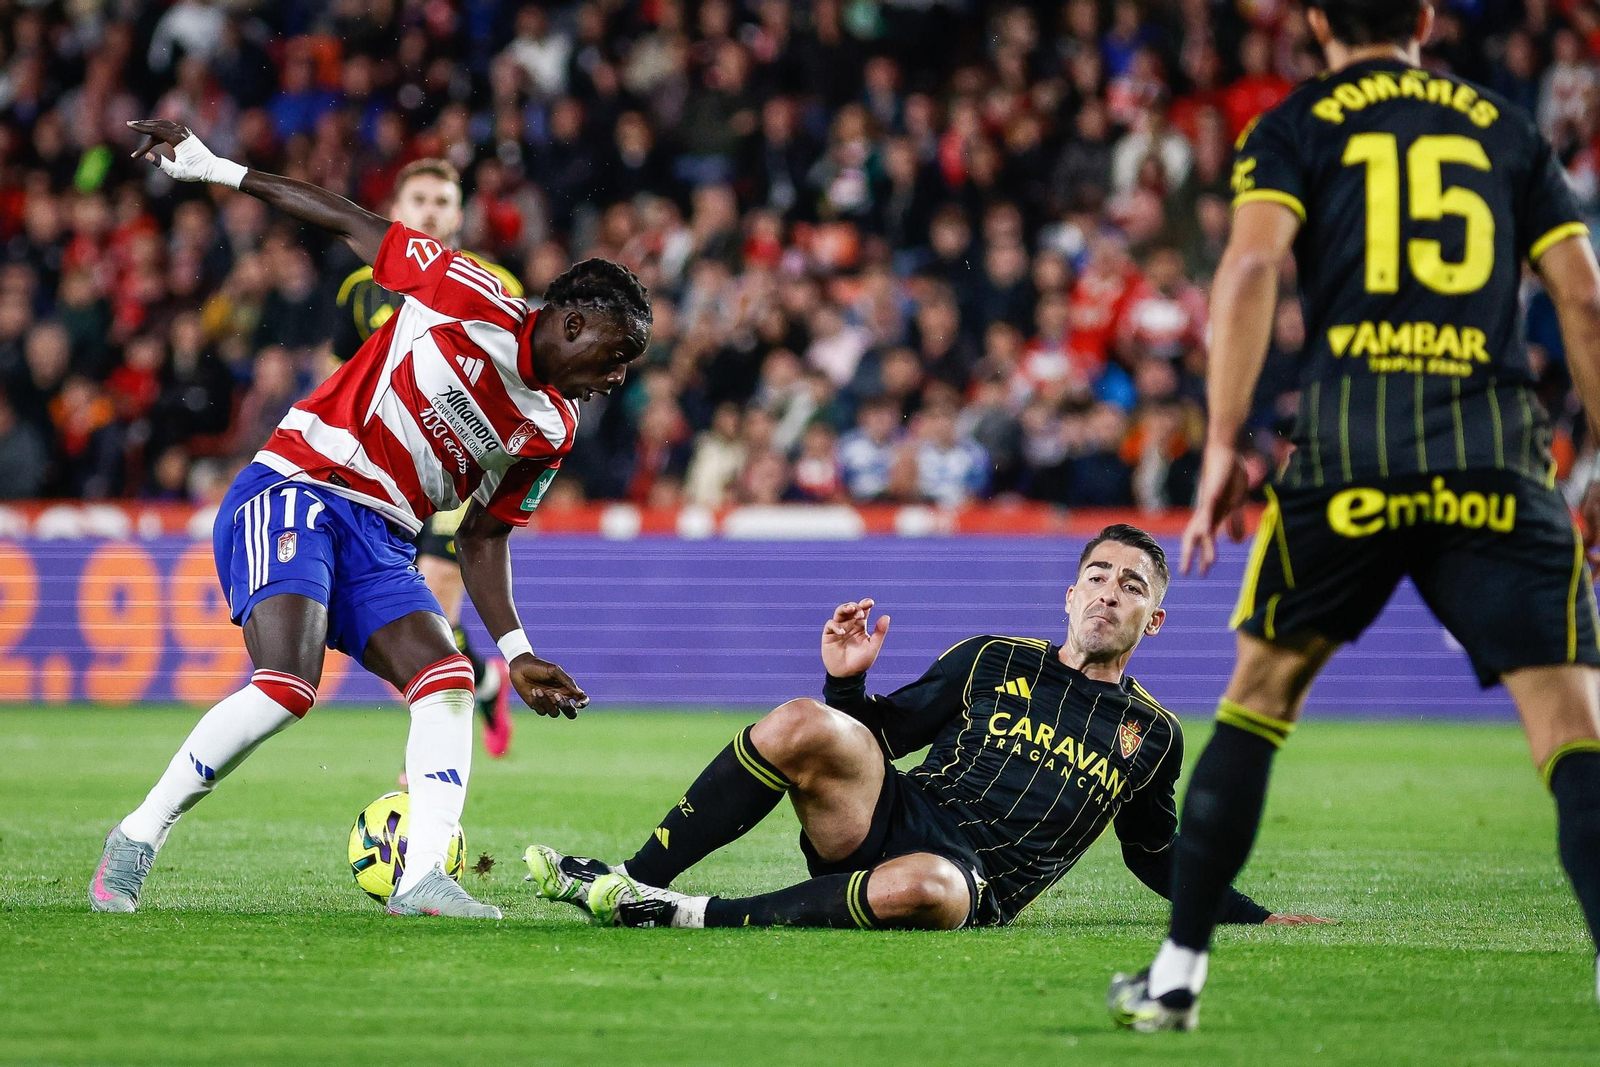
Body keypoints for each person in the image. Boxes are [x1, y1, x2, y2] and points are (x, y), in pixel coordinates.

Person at [1109, 0, 1600, 1031]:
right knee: (1571, 726)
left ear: (1314, 22)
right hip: (1492, 459)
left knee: (1258, 696)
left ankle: (1179, 974)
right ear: (1424, 16)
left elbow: (1245, 269)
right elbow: (1582, 301)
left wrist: (1222, 444)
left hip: (1347, 458)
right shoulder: (1507, 130)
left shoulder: (1292, 123)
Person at [89, 120, 651, 919]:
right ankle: (137, 837)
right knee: (288, 683)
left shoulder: (551, 428)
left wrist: (518, 651)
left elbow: (485, 535)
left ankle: (423, 878)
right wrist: (213, 166)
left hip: (384, 538)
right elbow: (348, 219)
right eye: (615, 352)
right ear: (571, 323)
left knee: (450, 681)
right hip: (300, 485)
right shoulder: (465, 292)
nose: (616, 376)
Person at [524, 525, 1325, 932]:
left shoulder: (1151, 732)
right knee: (805, 719)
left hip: (970, 880)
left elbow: (1156, 853)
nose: (1109, 593)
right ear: (1069, 593)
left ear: (1154, 619)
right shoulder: (991, 657)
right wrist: (845, 678)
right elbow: (877, 733)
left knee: (931, 887)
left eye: (1132, 585)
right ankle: (627, 876)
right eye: (1097, 575)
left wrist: (1253, 915)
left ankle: (685, 913)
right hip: (891, 812)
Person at [331, 158, 526, 764]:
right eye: (419, 198)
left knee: (433, 601)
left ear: (459, 214)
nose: (432, 210)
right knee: (397, 628)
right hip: (381, 474)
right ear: (396, 212)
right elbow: (342, 376)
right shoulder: (359, 290)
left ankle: (421, 783)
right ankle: (484, 683)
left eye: (443, 200)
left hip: (459, 469)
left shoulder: (497, 284)